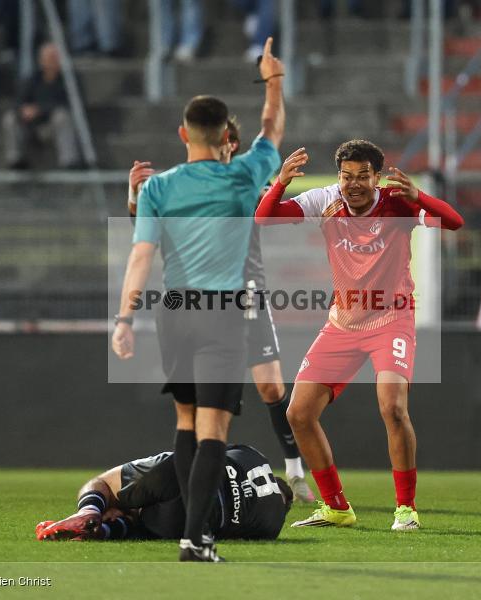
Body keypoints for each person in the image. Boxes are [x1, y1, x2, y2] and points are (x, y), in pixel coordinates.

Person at [111, 37, 285, 562]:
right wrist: (272, 79)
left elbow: (142, 256)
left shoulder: (159, 188)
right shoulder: (244, 174)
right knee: (214, 429)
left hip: (173, 313)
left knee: (185, 422)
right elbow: (272, 128)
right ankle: (195, 538)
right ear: (225, 135)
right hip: (222, 314)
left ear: (183, 134)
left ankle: (194, 532)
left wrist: (123, 318)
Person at [254, 140, 464, 530]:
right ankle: (335, 507)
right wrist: (280, 184)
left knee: (393, 407)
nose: (353, 184)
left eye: (362, 176)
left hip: (392, 318)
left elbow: (454, 222)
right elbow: (264, 219)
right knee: (298, 414)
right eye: (346, 176)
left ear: (377, 177)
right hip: (343, 324)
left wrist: (420, 196)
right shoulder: (325, 200)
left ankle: (406, 509)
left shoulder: (397, 204)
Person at [126, 119, 316, 505]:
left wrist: (277, 182)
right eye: (221, 140)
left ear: (233, 145)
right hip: (202, 304)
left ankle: (295, 471)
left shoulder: (246, 183)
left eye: (230, 142)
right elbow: (149, 230)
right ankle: (195, 482)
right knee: (197, 401)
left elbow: (268, 211)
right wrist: (134, 198)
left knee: (271, 387)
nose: (225, 147)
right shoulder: (186, 188)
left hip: (248, 296)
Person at [36, 444, 293, 542]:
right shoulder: (272, 526)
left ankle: (90, 510)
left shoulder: (256, 457)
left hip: (179, 473)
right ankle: (105, 529)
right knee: (144, 525)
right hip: (185, 523)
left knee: (105, 484)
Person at [2, 42, 81, 169]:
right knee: (10, 118)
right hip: (30, 126)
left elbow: (69, 103)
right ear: (41, 60)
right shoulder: (32, 79)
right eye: (48, 58)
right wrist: (23, 110)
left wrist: (39, 109)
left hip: (51, 127)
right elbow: (17, 101)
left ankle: (69, 161)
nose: (51, 62)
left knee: (62, 116)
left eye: (54, 58)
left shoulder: (68, 81)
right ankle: (15, 159)